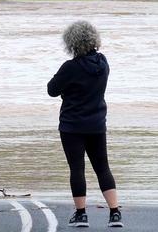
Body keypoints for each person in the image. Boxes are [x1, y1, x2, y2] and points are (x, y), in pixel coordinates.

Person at [48, 21, 122, 228]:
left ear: (71, 42)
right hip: (97, 123)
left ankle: (81, 215)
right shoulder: (103, 63)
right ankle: (115, 213)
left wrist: (67, 90)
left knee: (77, 169)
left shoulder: (69, 67)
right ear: (93, 39)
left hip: (72, 126)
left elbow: (51, 90)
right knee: (103, 168)